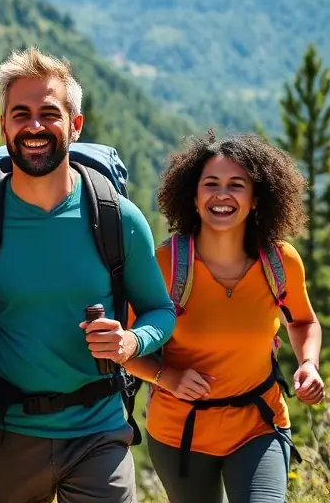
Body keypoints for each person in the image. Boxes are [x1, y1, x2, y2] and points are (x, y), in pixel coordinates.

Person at [0, 47, 177, 503]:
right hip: (5, 431)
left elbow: (160, 311)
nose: (34, 126)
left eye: (49, 114)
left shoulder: (117, 218)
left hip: (99, 429)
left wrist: (132, 342)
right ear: (3, 126)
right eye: (21, 114)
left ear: (75, 124)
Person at [121, 131, 324, 503]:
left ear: (256, 197)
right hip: (180, 433)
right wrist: (167, 376)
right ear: (194, 196)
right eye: (211, 184)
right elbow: (127, 347)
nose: (222, 195)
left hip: (260, 425)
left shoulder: (280, 262)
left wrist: (308, 364)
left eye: (236, 185)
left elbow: (302, 321)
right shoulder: (165, 265)